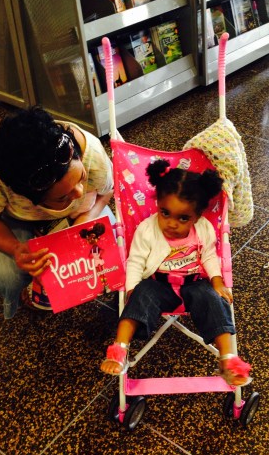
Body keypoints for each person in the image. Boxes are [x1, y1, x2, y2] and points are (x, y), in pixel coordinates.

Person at [101, 159, 251, 387]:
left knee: (214, 300)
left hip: (194, 283)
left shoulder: (203, 229)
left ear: (197, 216)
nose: (172, 224)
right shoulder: (147, 230)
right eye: (165, 213)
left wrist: (217, 281)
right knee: (140, 294)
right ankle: (119, 349)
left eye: (183, 218)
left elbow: (209, 256)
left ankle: (228, 359)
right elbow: (136, 261)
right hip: (158, 284)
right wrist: (132, 290)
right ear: (158, 205)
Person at [0, 106, 114, 319]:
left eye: (81, 177)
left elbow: (107, 192)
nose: (80, 192)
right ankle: (21, 289)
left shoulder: (92, 154)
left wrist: (87, 217)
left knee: (110, 250)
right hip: (14, 220)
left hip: (81, 215)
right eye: (62, 197)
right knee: (3, 274)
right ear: (25, 196)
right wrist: (16, 248)